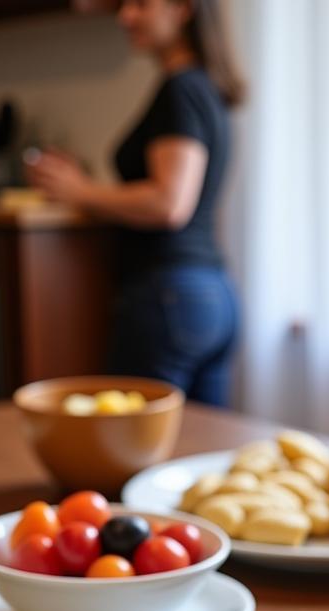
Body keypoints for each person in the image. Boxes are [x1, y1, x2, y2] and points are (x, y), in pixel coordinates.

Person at [25, 0, 244, 407]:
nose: (126, 16)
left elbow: (169, 202)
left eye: (142, 4)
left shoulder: (181, 88)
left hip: (170, 295)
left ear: (183, 9)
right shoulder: (203, 88)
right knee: (201, 449)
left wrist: (80, 191)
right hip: (211, 294)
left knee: (131, 446)